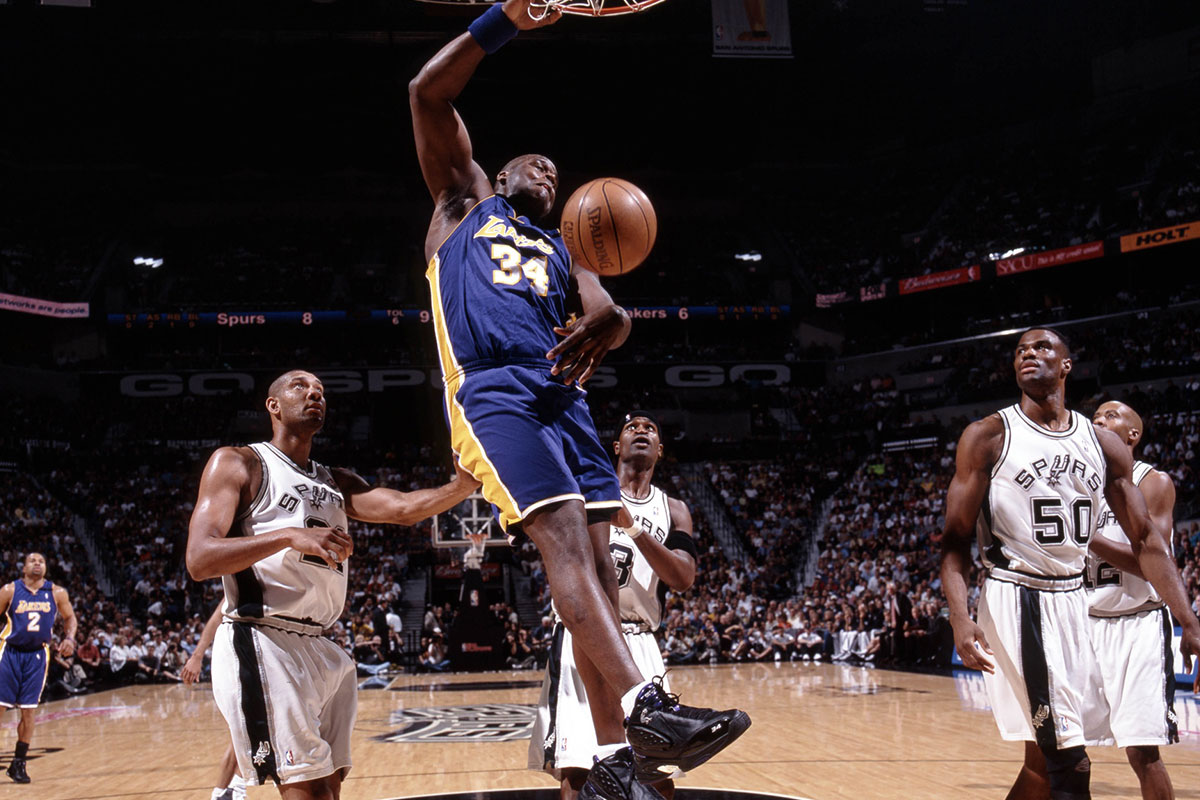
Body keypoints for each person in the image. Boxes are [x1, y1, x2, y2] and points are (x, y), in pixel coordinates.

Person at [409, 4, 750, 799]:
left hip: (562, 401)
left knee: (597, 563)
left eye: (557, 177)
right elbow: (427, 93)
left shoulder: (567, 247)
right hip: (493, 390)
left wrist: (616, 319)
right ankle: (646, 705)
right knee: (565, 541)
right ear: (500, 176)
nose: (548, 175)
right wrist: (506, 21)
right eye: (535, 167)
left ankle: (610, 762)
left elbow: (608, 313)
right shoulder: (464, 205)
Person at [185, 369, 479, 800]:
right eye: (300, 387)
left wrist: (462, 486)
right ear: (273, 405)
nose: (314, 393)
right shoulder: (239, 462)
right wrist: (289, 535)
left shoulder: (334, 480)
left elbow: (401, 508)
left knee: (327, 787)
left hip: (322, 646)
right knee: (304, 788)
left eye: (320, 390)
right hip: (263, 637)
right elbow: (199, 558)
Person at [939, 328, 1200, 800]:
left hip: (1074, 601)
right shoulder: (989, 436)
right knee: (1071, 762)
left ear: (1066, 365)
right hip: (1018, 595)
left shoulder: (1102, 444)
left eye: (1042, 348)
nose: (1028, 354)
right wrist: (960, 615)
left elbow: (1147, 541)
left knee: (1042, 763)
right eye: (1020, 350)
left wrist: (1189, 619)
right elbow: (954, 542)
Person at [529, 412, 701, 800]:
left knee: (656, 769)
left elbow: (683, 577)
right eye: (631, 427)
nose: (641, 430)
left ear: (660, 450)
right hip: (585, 637)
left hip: (640, 640)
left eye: (650, 428)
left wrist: (634, 528)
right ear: (616, 447)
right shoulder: (585, 494)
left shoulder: (674, 509)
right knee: (578, 768)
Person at [1086, 401, 1181, 800]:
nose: (1098, 420)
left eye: (1111, 415)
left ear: (1132, 435)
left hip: (1138, 623)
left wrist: (1088, 539)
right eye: (1095, 417)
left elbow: (1151, 563)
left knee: (1142, 752)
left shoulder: (1151, 482)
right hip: (1084, 622)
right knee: (1062, 748)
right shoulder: (1077, 485)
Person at [0, 552, 77, 784]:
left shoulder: (57, 593)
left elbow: (70, 618)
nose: (37, 563)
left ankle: (19, 764)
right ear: (23, 568)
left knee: (29, 710)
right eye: (32, 561)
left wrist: (70, 638)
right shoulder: (9, 591)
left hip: (37, 655)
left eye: (41, 561)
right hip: (9, 652)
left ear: (46, 567)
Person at [182, 602, 246, 800]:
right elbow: (217, 616)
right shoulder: (241, 577)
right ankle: (236, 788)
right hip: (240, 656)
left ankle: (222, 793)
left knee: (241, 734)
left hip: (248, 655)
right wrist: (197, 656)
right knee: (249, 730)